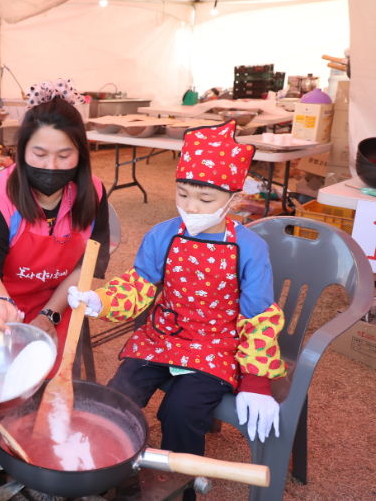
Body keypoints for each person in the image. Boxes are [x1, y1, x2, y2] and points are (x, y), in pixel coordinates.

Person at [68, 120, 287, 501]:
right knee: (117, 397)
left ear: (233, 199)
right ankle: (112, 479)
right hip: (161, 337)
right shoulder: (162, 235)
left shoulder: (250, 249)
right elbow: (139, 286)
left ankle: (178, 491)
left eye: (205, 201)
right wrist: (101, 301)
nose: (190, 208)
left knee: (181, 411)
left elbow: (258, 317)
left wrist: (256, 381)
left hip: (216, 345)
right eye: (183, 195)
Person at [0, 79, 112, 435]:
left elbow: (87, 264)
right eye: (39, 154)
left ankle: (38, 441)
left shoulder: (93, 193)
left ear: (81, 155)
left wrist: (50, 313)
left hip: (54, 292)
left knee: (50, 372)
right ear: (21, 151)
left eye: (64, 155)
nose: (51, 165)